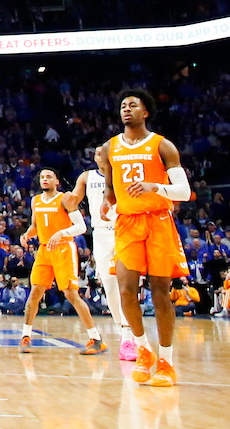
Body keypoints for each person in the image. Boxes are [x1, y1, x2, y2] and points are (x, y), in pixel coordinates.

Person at [99, 90, 191, 387]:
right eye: (123, 105)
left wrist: (155, 187)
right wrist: (106, 199)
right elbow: (111, 183)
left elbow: (183, 191)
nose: (127, 109)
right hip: (127, 223)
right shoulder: (110, 147)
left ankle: (166, 360)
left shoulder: (163, 146)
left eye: (133, 105)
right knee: (126, 288)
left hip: (159, 221)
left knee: (160, 291)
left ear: (145, 112)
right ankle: (143, 350)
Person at [18, 168, 106, 355]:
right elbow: (35, 226)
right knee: (35, 293)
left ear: (56, 181)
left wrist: (62, 233)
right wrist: (26, 235)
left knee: (71, 295)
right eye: (42, 177)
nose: (45, 179)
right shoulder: (36, 201)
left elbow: (81, 227)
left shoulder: (65, 199)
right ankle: (26, 336)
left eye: (49, 176)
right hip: (44, 250)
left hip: (64, 248)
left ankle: (96, 339)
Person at [71, 151, 134, 360]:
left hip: (125, 230)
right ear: (95, 158)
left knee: (127, 283)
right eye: (98, 153)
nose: (101, 155)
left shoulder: (123, 174)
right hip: (100, 234)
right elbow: (72, 201)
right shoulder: (87, 177)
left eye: (104, 152)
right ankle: (123, 328)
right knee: (109, 283)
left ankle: (129, 335)